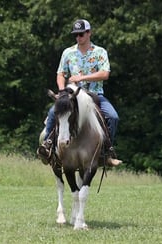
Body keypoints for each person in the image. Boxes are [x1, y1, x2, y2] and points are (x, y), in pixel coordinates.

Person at [37, 19, 122, 167]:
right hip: (72, 95)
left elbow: (104, 74)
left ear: (89, 33)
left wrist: (81, 77)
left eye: (81, 34)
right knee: (52, 112)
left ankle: (106, 152)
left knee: (113, 117)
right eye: (76, 35)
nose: (78, 37)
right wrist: (62, 91)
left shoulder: (100, 52)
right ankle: (47, 146)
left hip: (95, 95)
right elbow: (60, 74)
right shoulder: (68, 52)